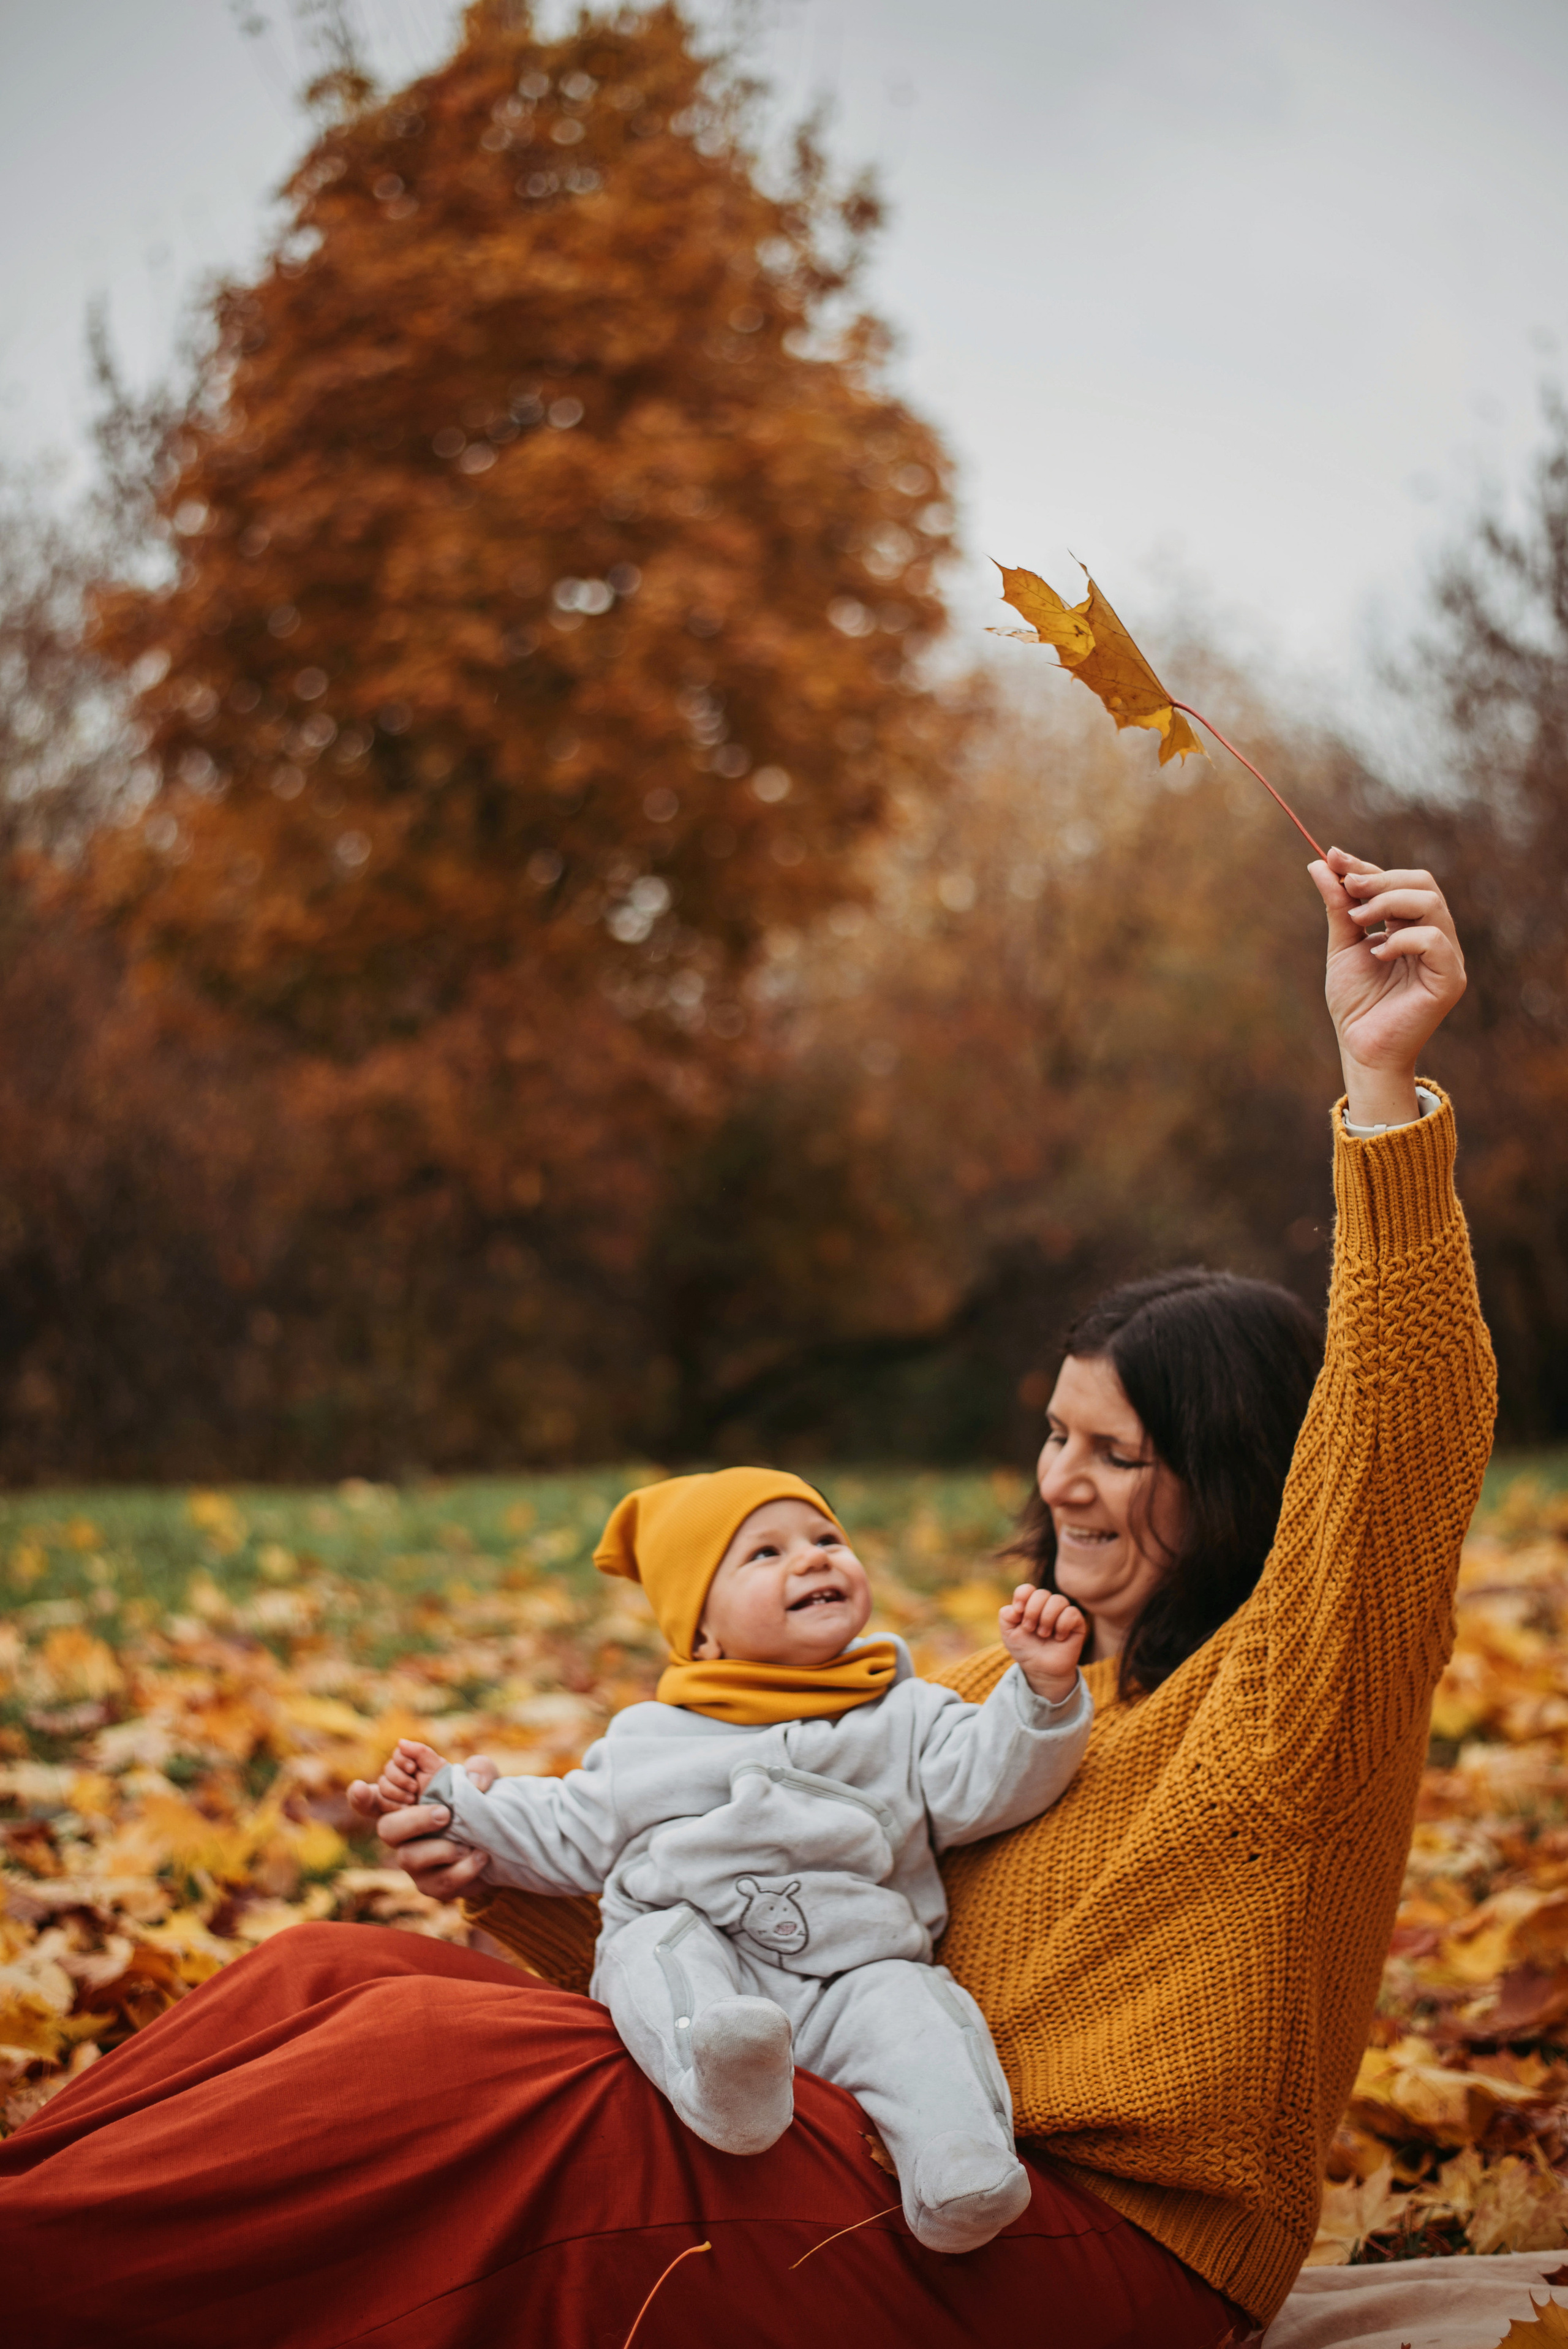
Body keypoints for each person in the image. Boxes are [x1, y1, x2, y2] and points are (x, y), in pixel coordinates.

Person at [0, 850, 1496, 2349]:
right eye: (1054, 1432)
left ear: (1236, 1475)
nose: (1061, 1483)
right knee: (334, 1971)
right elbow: (770, 1913)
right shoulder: (992, 1695)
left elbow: (1393, 1438)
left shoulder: (1295, 1693)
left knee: (482, 2080)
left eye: (1119, 1452)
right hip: (873, 2137)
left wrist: (1378, 1083)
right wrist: (498, 1870)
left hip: (1084, 2242)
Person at [348, 1469, 1091, 2252]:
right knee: (647, 1950)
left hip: (856, 1969)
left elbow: (989, 1782)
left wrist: (1039, 1694)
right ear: (701, 1633)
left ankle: (957, 2169)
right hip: (704, 1956)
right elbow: (565, 1825)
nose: (811, 1560)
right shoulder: (650, 1740)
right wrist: (453, 1801)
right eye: (765, 1553)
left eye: (827, 1540)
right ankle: (718, 2079)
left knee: (921, 2018)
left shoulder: (903, 1714)